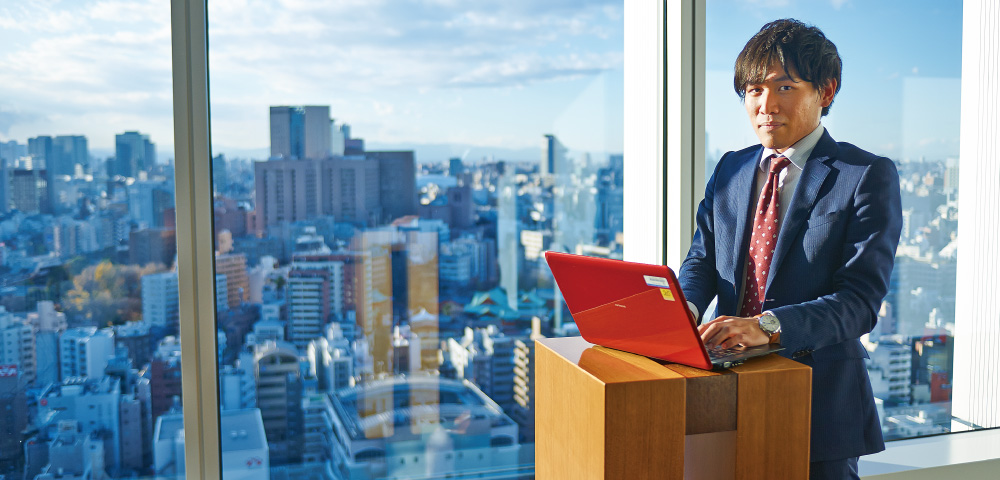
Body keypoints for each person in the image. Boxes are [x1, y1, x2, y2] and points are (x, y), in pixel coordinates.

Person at [678, 19, 902, 480]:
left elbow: (859, 303)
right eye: (754, 90)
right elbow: (703, 260)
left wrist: (766, 327)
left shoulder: (864, 175)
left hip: (819, 403)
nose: (766, 105)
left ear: (826, 90)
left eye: (784, 86)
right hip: (725, 391)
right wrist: (682, 306)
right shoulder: (731, 168)